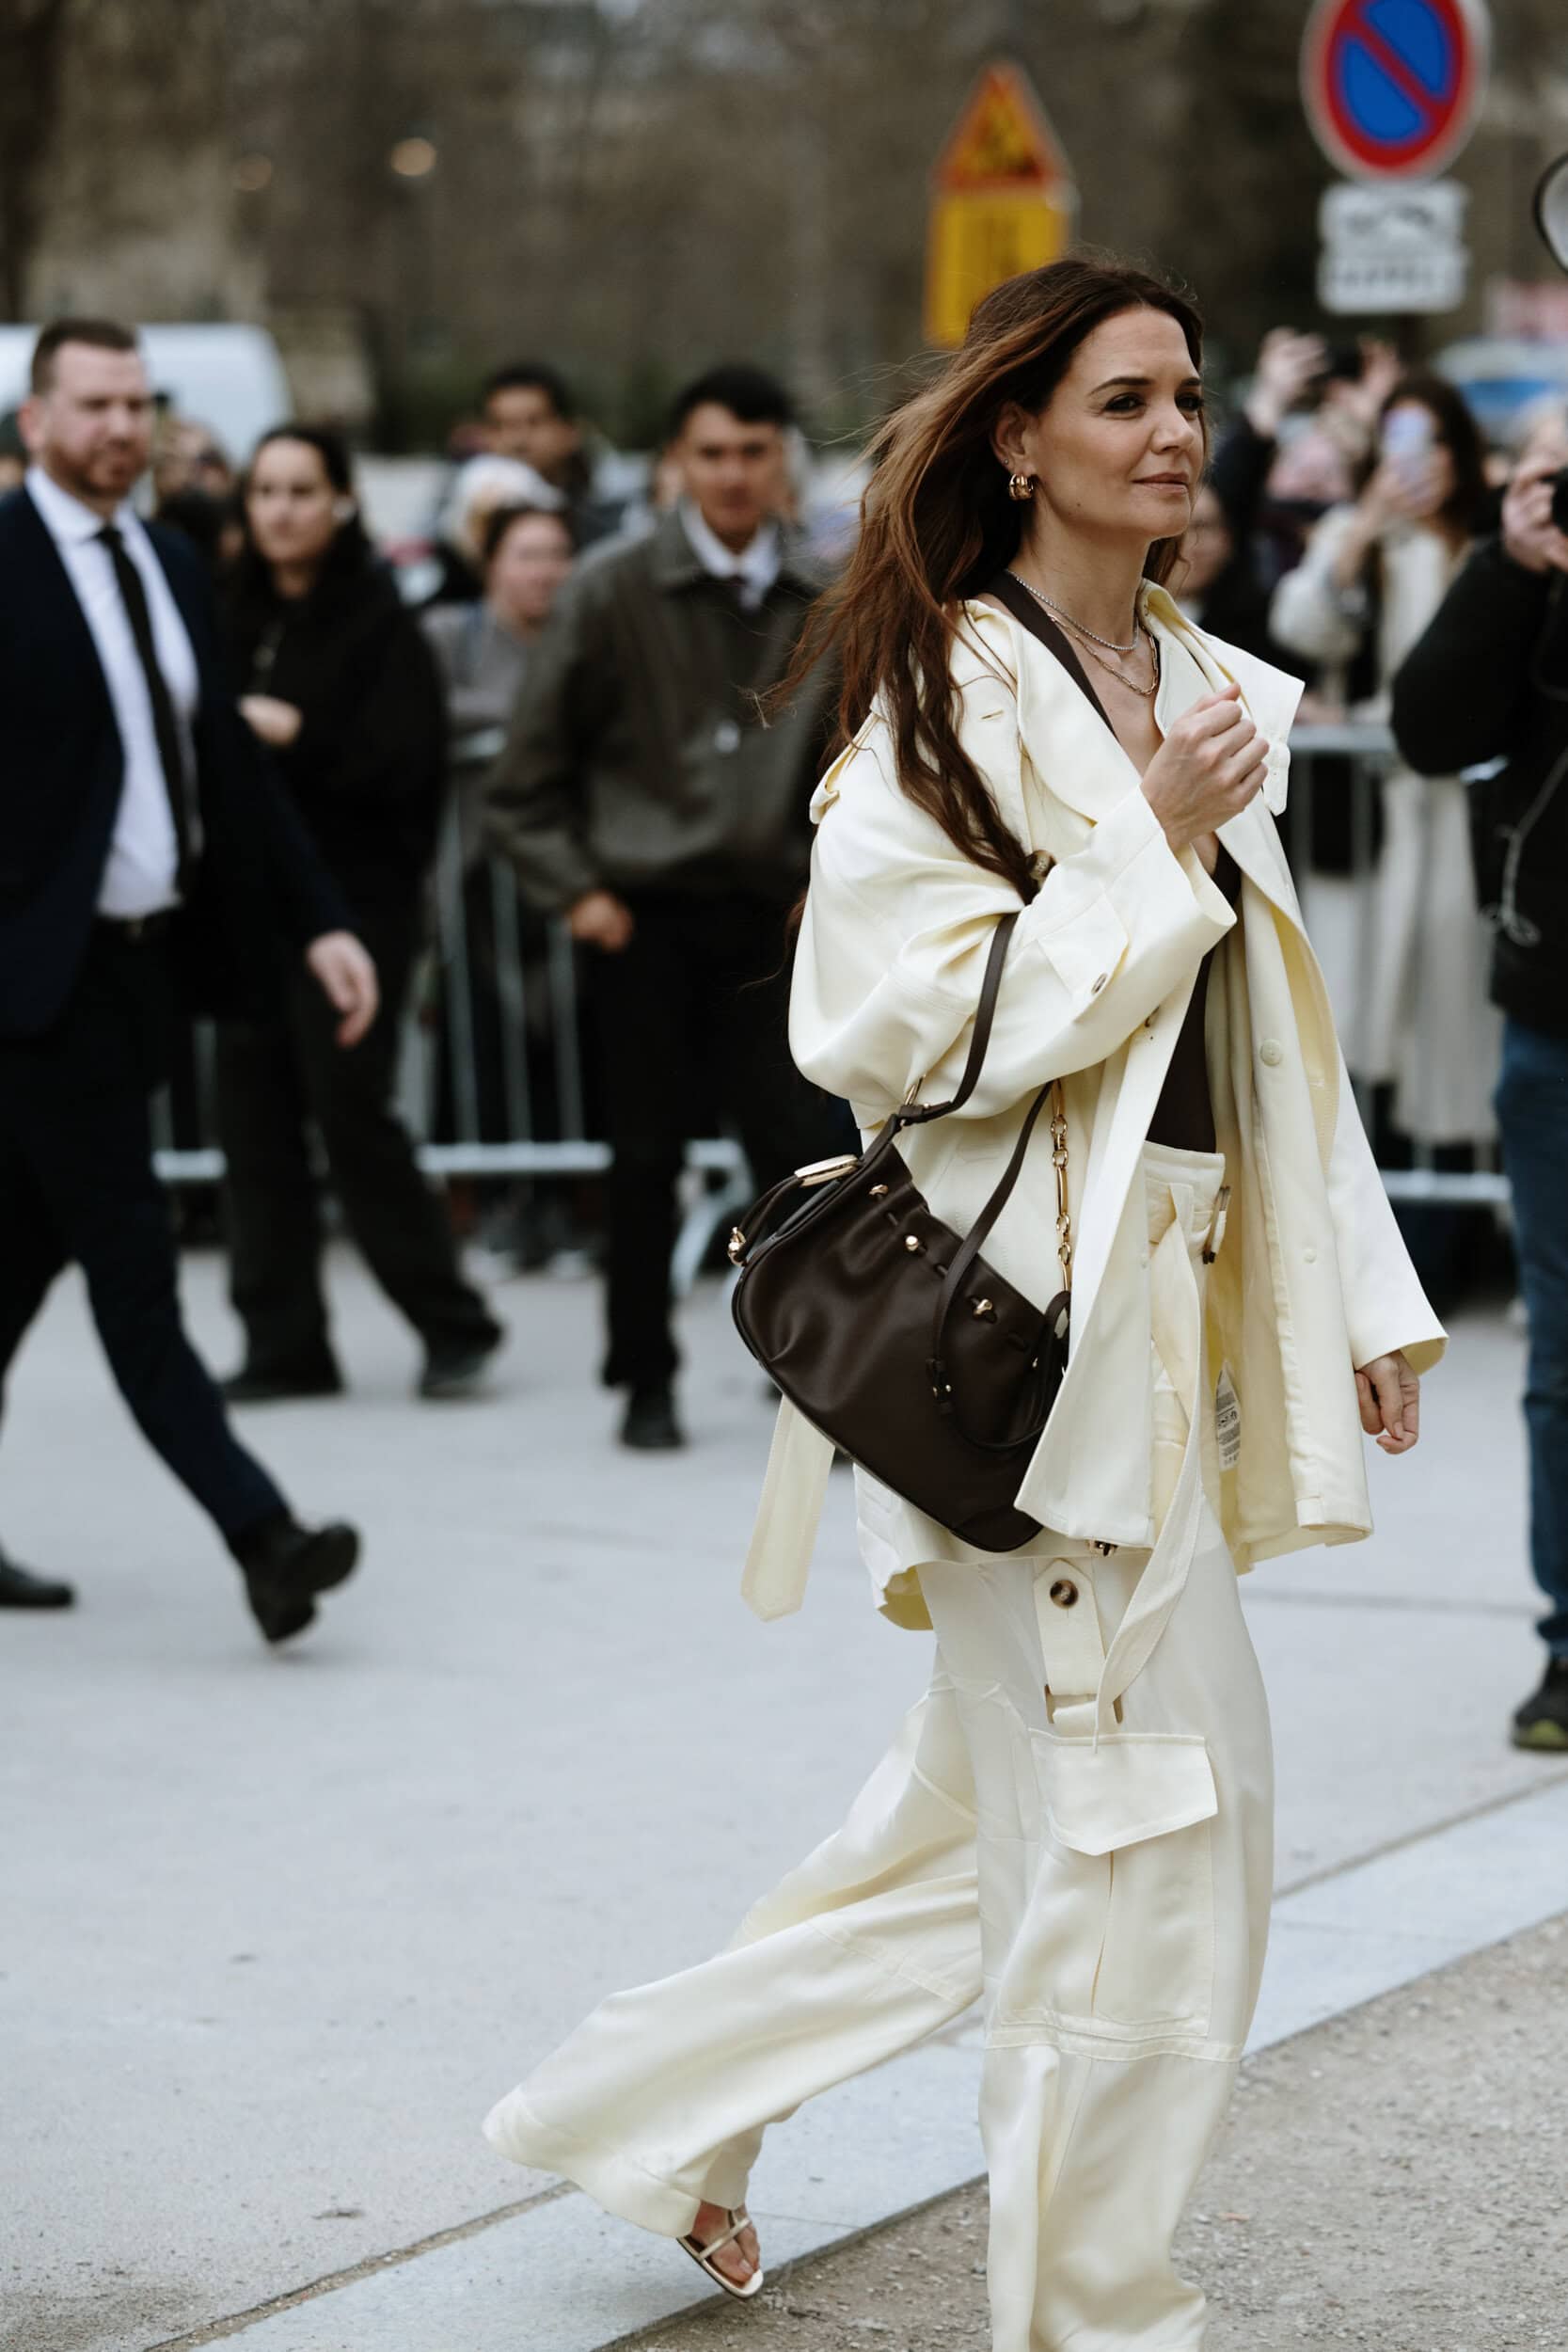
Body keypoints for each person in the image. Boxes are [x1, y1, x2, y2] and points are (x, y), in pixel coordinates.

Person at [482, 259, 1445, 2346]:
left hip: (1162, 1321)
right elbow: (885, 1027)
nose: (1171, 430)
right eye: (1120, 399)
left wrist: (1356, 1292)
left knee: (976, 1835)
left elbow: (1265, 1040)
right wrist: (1146, 847)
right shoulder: (938, 693)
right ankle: (1090, 2317)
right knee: (1149, 1843)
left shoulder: (1193, 670)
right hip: (1016, 1349)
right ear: (1017, 437)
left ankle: (638, 2112)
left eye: (1186, 394)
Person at [0, 318, 375, 1640]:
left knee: (18, 1256)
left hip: (147, 973)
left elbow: (229, 768)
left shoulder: (167, 559)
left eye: (134, 405)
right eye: (90, 405)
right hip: (39, 993)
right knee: (132, 1263)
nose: (118, 427)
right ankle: (263, 1536)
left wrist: (319, 920)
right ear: (34, 420)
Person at [485, 364, 846, 1450]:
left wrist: (826, 886)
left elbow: (860, 765)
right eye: (711, 453)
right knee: (640, 1157)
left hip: (773, 918)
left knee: (800, 1157)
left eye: (751, 451)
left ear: (781, 460)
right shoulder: (610, 588)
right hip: (638, 917)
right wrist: (580, 896)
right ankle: (643, 1376)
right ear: (675, 465)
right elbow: (521, 777)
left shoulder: (826, 598)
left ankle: (813, 1380)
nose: (732, 474)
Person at [214, 424, 503, 1403]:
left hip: (358, 908)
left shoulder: (379, 620)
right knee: (251, 1127)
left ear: (340, 500)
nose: (281, 509)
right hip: (249, 909)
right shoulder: (229, 612)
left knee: (353, 1117)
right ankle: (282, 1340)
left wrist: (299, 735)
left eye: (302, 489)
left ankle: (451, 1321)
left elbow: (399, 769)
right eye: (265, 491)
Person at [1391, 408, 1568, 1752]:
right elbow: (1428, 727)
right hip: (1553, 1019)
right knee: (1560, 1359)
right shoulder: (1525, 574)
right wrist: (1512, 561)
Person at [1271, 375, 1498, 1305]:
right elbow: (1299, 621)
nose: (1419, 468)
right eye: (1400, 446)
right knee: (1355, 1025)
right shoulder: (1351, 537)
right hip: (1362, 824)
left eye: (1433, 445)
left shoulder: (1483, 549)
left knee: (1449, 1026)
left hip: (1452, 818)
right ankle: (1369, 1255)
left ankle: (1445, 1246)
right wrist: (1360, 527)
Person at [423, 502, 580, 1200]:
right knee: (483, 1037)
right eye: (526, 554)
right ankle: (493, 1201)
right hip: (471, 875)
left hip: (569, 871)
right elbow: (420, 717)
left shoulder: (585, 639)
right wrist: (529, 724)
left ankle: (572, 1202)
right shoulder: (447, 636)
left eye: (556, 553)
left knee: (568, 1042)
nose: (543, 571)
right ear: (490, 565)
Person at [479, 362, 623, 546]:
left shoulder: (609, 526)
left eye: (534, 422)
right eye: (500, 425)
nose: (516, 440)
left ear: (570, 431)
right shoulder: (455, 520)